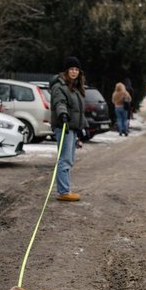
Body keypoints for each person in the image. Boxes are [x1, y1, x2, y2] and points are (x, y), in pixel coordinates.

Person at [49, 56, 88, 201]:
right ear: (66, 71)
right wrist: (63, 114)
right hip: (63, 125)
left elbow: (79, 110)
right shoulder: (59, 87)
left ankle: (65, 189)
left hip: (72, 127)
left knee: (69, 159)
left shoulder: (76, 87)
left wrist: (83, 127)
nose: (74, 72)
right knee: (64, 159)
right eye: (71, 69)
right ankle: (63, 191)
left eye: (76, 69)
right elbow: (59, 103)